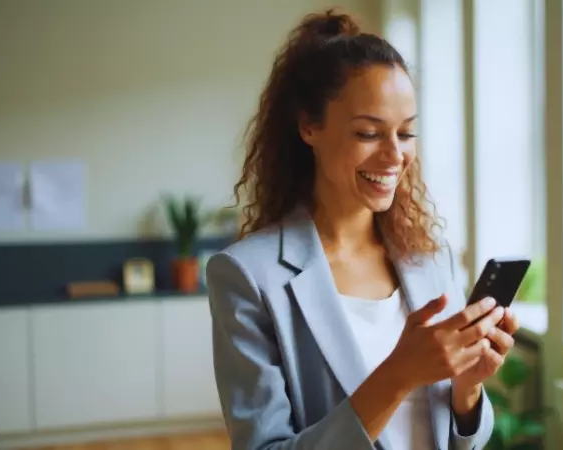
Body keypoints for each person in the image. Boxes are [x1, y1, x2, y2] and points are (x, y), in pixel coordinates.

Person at [206, 8, 520, 450]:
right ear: (309, 127)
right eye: (369, 133)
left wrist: (466, 389)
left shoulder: (429, 258)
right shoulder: (246, 277)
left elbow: (461, 440)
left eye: (406, 134)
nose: (395, 156)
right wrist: (399, 374)